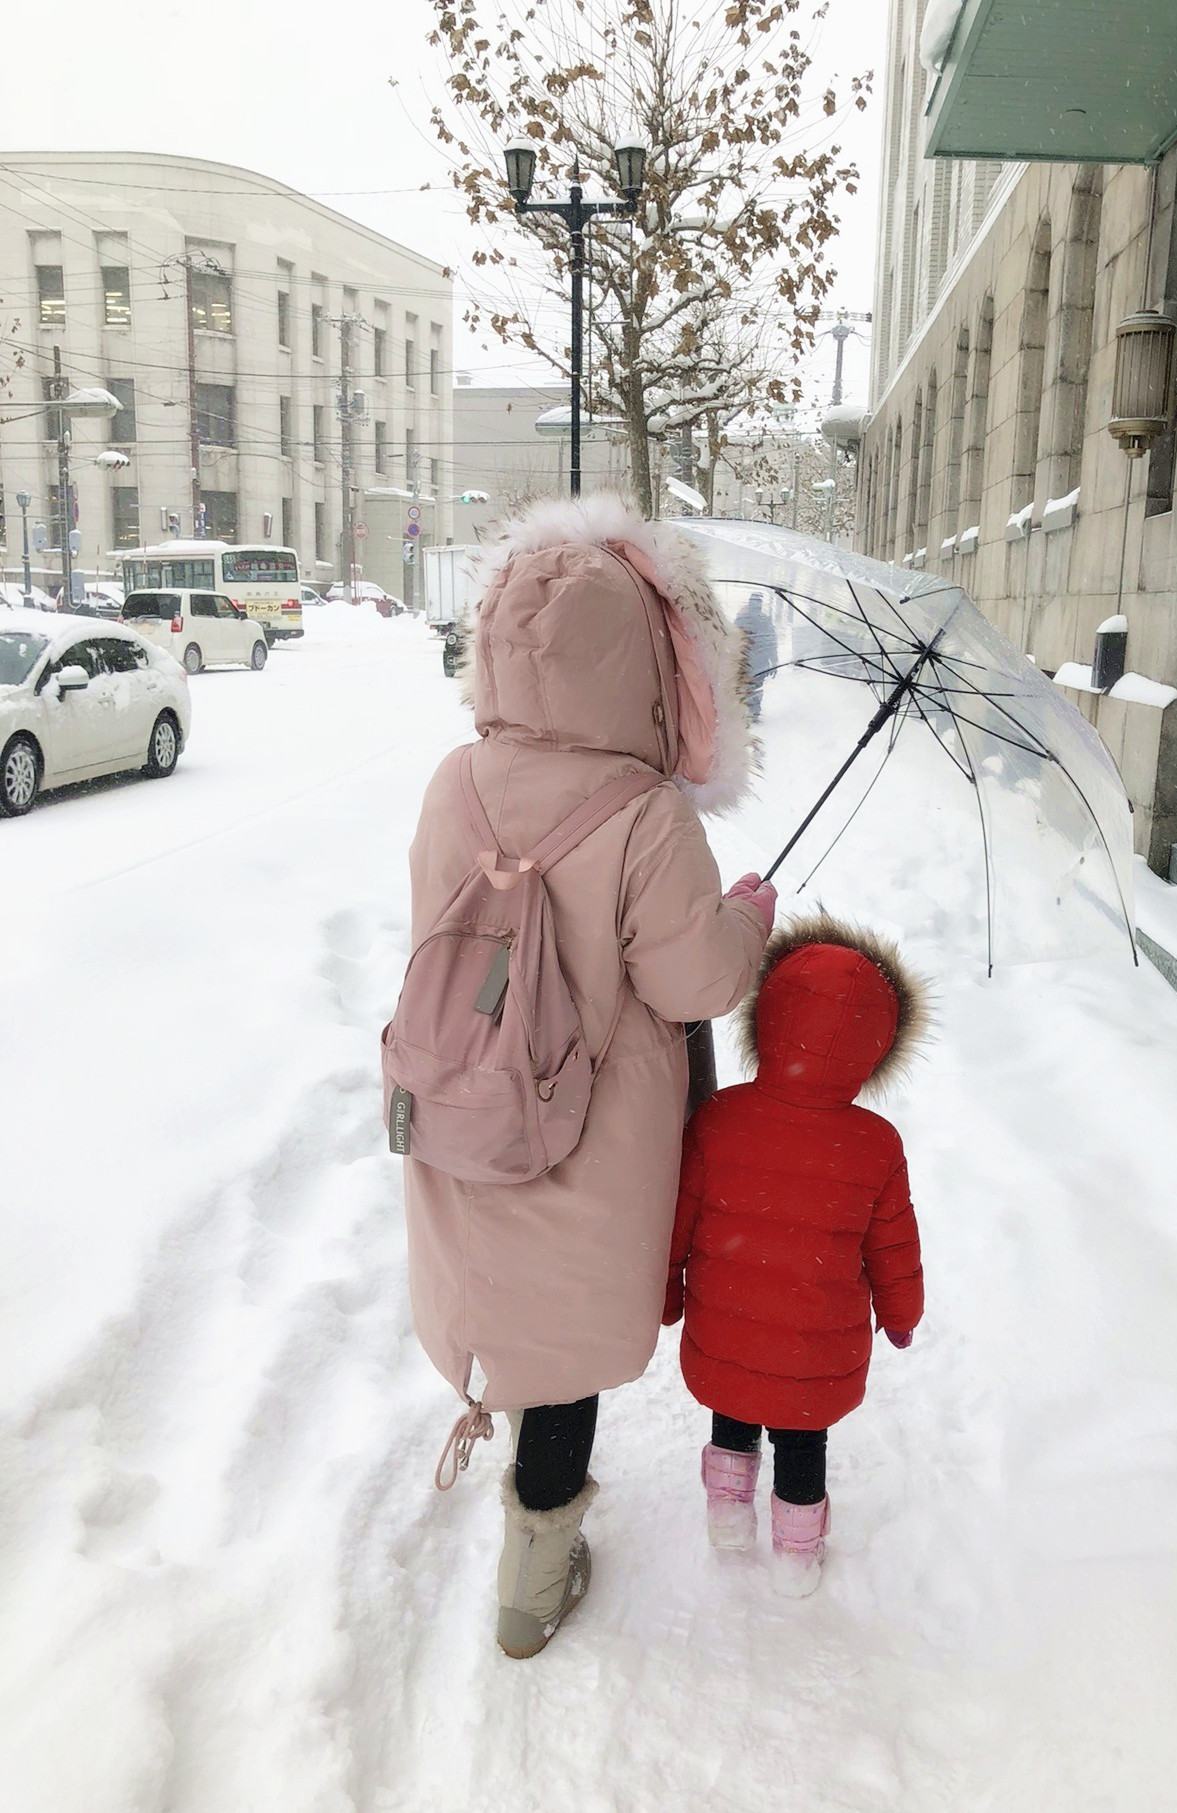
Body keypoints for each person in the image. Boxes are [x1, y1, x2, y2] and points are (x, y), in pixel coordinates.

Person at [402, 493, 776, 1658]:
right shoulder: (647, 814)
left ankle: (519, 1481)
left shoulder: (453, 781)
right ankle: (533, 1579)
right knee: (562, 1349)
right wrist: (745, 918)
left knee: (504, 1296)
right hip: (587, 1127)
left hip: (461, 1094)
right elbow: (697, 983)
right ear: (644, 662)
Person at [665, 913, 927, 1597]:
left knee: (735, 1400)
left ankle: (727, 1510)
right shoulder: (875, 1144)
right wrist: (901, 1312)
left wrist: (665, 1293)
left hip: (727, 1328)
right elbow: (893, 1243)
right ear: (875, 1048)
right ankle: (796, 1552)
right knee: (802, 1434)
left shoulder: (720, 1118)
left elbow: (678, 1216)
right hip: (817, 1349)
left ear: (768, 1018)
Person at [734, 589, 778, 720]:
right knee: (757, 686)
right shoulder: (765, 620)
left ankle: (744, 710)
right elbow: (772, 642)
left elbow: (733, 638)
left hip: (744, 659)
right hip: (761, 662)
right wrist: (774, 661)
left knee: (744, 685)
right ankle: (754, 712)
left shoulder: (741, 618)